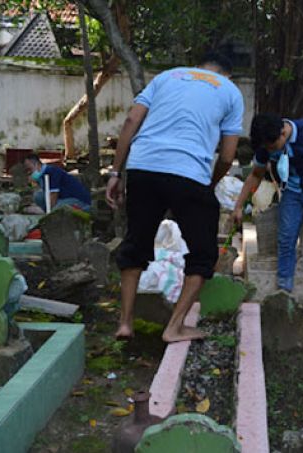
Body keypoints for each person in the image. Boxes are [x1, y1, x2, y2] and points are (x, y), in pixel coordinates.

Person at [106, 52, 244, 342]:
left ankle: (125, 323)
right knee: (204, 254)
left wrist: (116, 173)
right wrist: (209, 183)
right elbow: (228, 155)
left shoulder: (166, 77)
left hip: (143, 166)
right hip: (188, 172)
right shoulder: (230, 91)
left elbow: (132, 120)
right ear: (228, 74)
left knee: (135, 243)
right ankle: (175, 327)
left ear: (198, 66)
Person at [232, 113, 303, 316]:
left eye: (273, 147)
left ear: (283, 133)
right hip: (292, 193)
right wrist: (239, 205)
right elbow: (256, 174)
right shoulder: (267, 144)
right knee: (285, 239)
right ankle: (285, 291)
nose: (270, 151)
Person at [23, 154, 91, 212]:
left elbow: (53, 195)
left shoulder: (52, 172)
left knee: (56, 210)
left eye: (30, 169)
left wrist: (45, 210)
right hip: (62, 197)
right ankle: (44, 210)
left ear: (36, 164)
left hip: (77, 200)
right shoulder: (42, 175)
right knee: (38, 195)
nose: (29, 173)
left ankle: (44, 212)